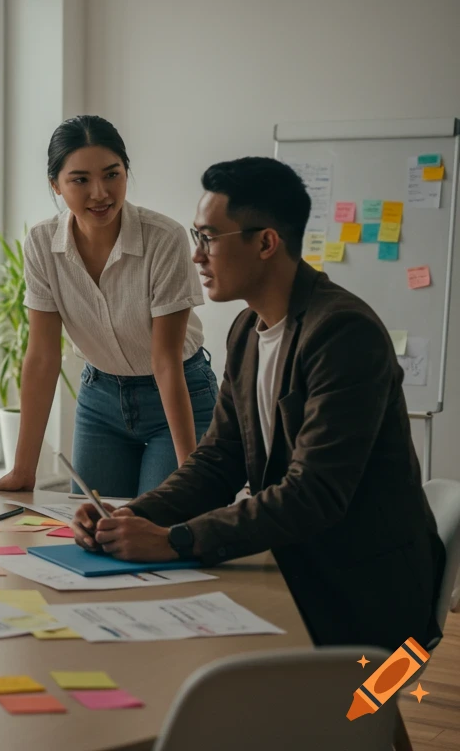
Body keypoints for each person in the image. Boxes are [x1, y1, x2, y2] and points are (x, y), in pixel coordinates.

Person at [72, 157, 445, 649]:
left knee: (200, 669)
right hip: (297, 570)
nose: (195, 256)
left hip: (368, 606)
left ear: (266, 242)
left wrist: (175, 540)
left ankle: (356, 725)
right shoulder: (249, 330)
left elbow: (313, 493)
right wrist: (131, 519)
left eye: (208, 238)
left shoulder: (343, 334)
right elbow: (218, 460)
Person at [0, 115, 217, 499]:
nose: (100, 193)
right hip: (101, 401)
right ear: (55, 185)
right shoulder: (42, 243)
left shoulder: (164, 238)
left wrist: (189, 472)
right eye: (80, 180)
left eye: (112, 175)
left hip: (178, 394)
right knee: (93, 528)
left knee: (157, 522)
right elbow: (43, 356)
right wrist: (22, 470)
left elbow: (165, 360)